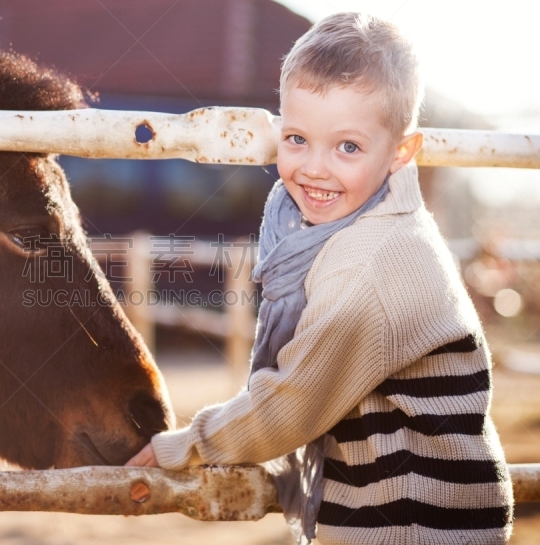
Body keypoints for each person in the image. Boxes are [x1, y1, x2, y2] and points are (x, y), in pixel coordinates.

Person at [125, 12, 513, 545]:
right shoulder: (372, 231)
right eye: (297, 138)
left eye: (348, 147)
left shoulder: (371, 265)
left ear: (401, 152)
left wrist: (186, 445)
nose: (314, 168)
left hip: (415, 527)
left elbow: (290, 403)